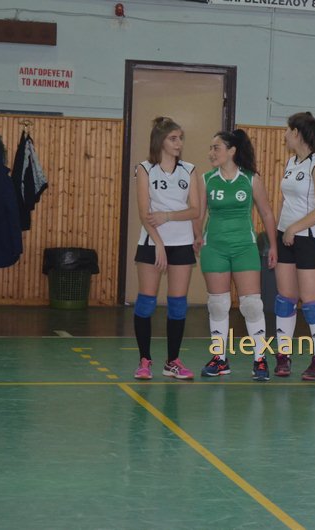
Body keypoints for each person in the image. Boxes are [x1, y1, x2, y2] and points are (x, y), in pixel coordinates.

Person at [196, 129, 278, 381]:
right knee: (217, 305)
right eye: (210, 148)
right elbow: (198, 214)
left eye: (216, 148)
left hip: (244, 247)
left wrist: (273, 246)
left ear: (231, 151)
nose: (211, 153)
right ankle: (219, 359)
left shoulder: (251, 179)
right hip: (215, 248)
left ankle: (260, 359)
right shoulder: (206, 180)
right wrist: (197, 236)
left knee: (252, 305)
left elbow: (266, 213)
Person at [133, 117, 200, 380]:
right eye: (173, 138)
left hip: (181, 243)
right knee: (146, 303)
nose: (179, 143)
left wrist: (169, 216)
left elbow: (194, 210)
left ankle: (172, 361)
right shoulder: (145, 169)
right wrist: (158, 243)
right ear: (160, 140)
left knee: (178, 305)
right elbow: (144, 213)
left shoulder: (189, 170)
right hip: (152, 242)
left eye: (180, 138)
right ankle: (144, 360)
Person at [273, 112, 315, 381]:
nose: (285, 135)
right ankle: (283, 355)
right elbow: (286, 203)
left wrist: (294, 228)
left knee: (311, 303)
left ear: (297, 133)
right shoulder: (291, 162)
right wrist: (279, 233)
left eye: (288, 130)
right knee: (284, 300)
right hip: (286, 238)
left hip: (310, 239)